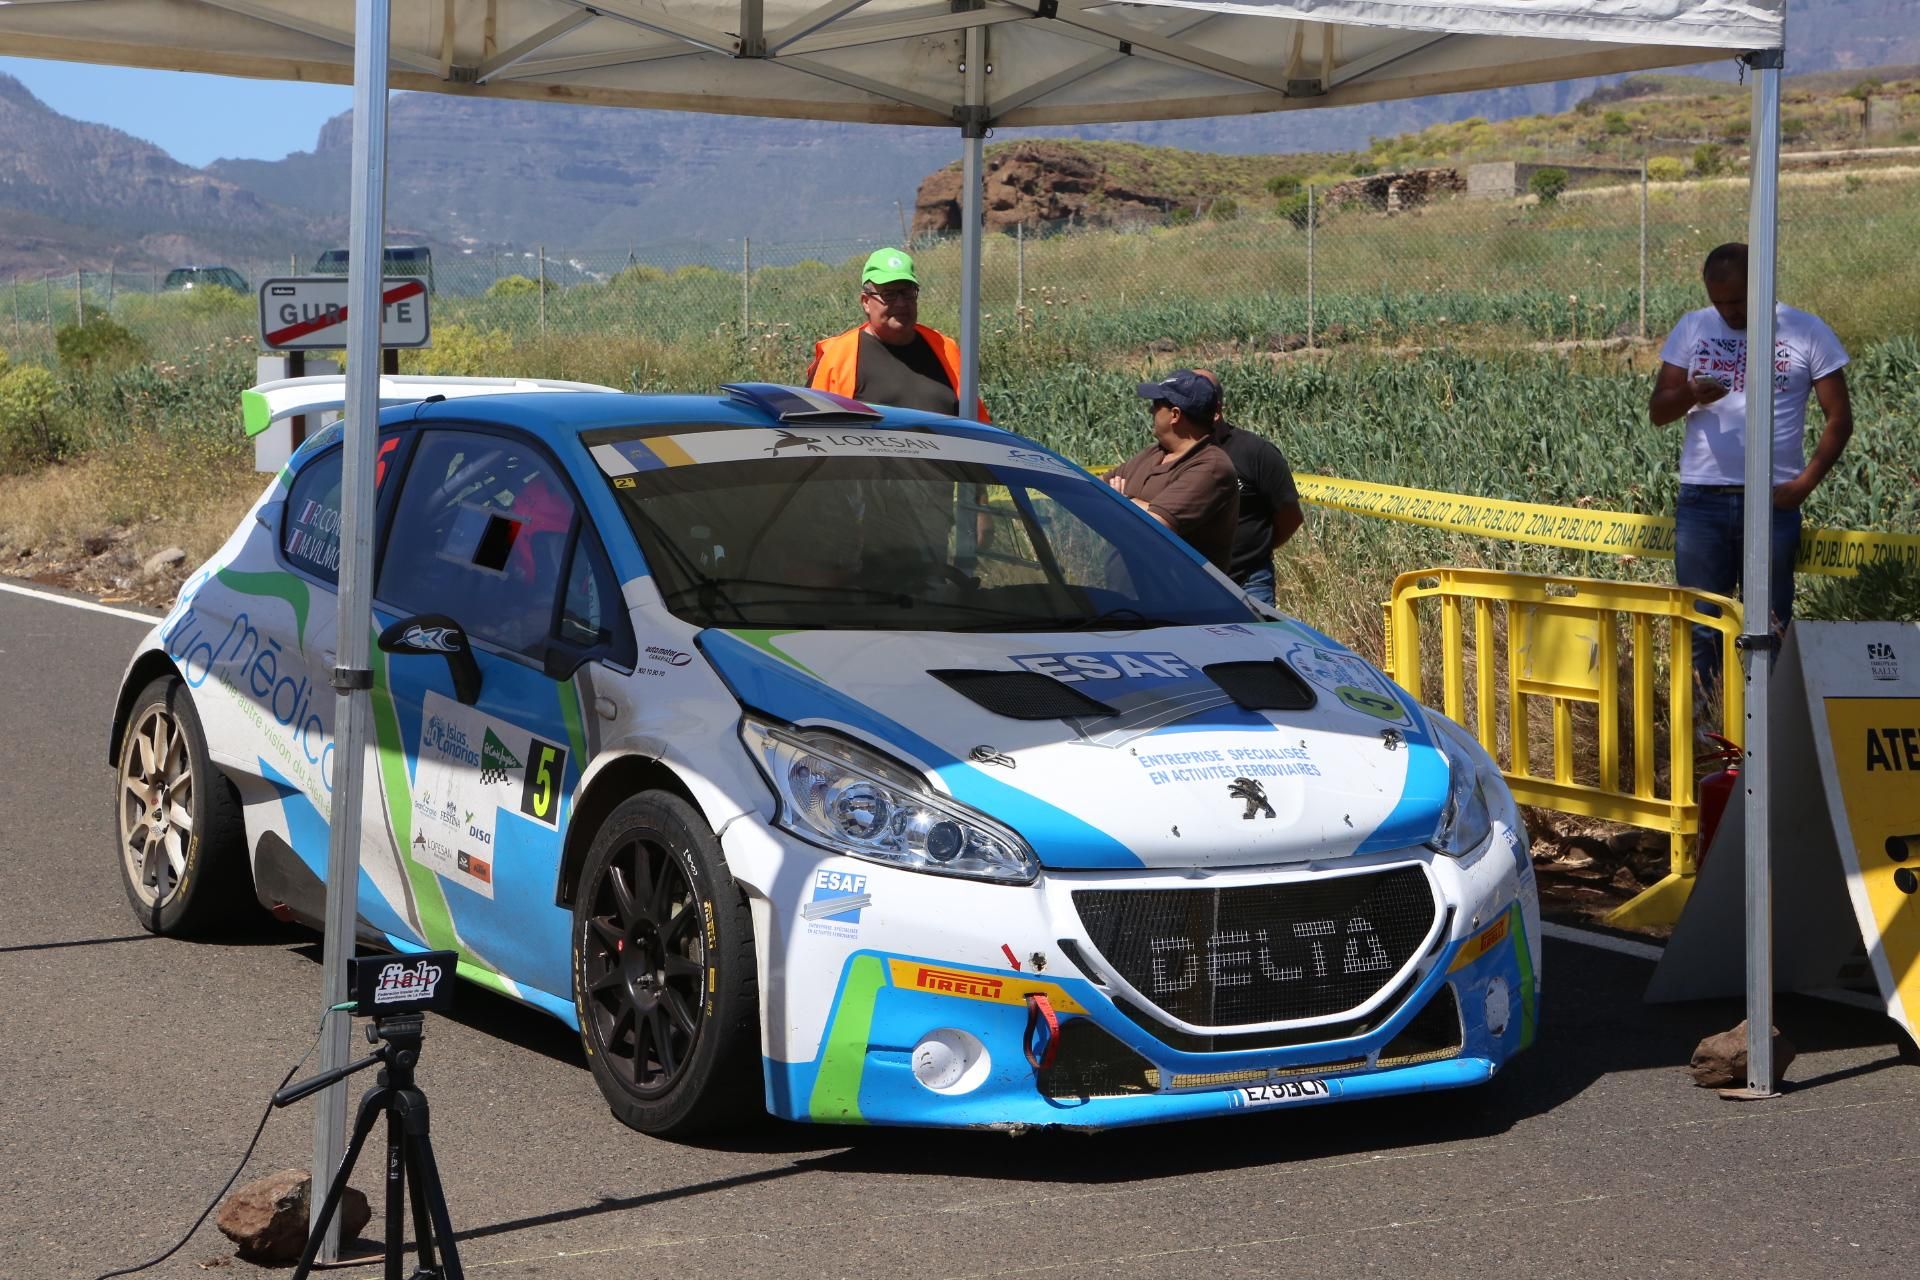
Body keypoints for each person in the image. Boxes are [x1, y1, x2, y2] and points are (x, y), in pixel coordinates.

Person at [1648, 241, 1853, 695]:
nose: (1727, 312)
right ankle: (1706, 742)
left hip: (1772, 501)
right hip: (1702, 500)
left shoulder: (1805, 331)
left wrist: (1804, 483)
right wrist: (1690, 395)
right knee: (1702, 626)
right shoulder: (1694, 327)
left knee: (1767, 627)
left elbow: (1839, 418)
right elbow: (1659, 412)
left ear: (1761, 283)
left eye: (1737, 301)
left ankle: (1767, 740)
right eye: (1717, 301)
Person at [805, 247, 989, 421]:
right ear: (866, 301)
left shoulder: (945, 349)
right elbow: (813, 431)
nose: (901, 303)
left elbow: (979, 427)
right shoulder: (838, 356)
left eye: (907, 293)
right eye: (889, 294)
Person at [1106, 369, 1240, 574]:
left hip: (1180, 602)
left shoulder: (1212, 467)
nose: (1151, 412)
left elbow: (1155, 524)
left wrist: (1122, 499)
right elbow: (1094, 489)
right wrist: (1133, 504)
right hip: (1128, 597)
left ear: (1175, 415)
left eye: (1157, 405)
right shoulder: (1153, 452)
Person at [1193, 369, 1303, 605]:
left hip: (1249, 583)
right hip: (1192, 584)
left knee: (1257, 642)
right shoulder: (1171, 456)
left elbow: (1290, 516)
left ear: (1216, 411)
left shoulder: (1256, 453)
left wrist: (1255, 550)